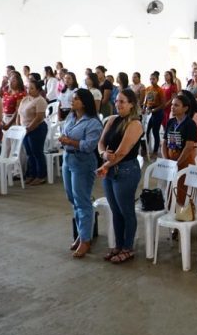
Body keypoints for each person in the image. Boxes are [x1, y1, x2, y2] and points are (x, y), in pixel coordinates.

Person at [96, 89, 143, 264]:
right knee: (115, 210)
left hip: (126, 170)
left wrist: (106, 163)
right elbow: (101, 143)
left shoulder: (135, 124)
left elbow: (122, 153)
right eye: (117, 101)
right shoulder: (113, 120)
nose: (118, 104)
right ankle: (118, 245)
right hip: (110, 168)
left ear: (131, 104)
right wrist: (104, 156)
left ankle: (128, 248)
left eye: (122, 101)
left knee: (126, 211)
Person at [59, 89, 103, 258]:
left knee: (82, 200)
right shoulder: (71, 117)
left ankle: (86, 239)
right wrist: (65, 139)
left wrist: (69, 141)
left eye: (76, 99)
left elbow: (89, 146)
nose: (72, 100)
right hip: (68, 159)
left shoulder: (93, 122)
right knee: (72, 198)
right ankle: (80, 233)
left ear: (84, 102)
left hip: (82, 162)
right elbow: (66, 132)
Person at [163, 93, 197, 207]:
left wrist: (177, 163)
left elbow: (188, 147)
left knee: (182, 193)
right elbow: (164, 142)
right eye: (172, 104)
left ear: (185, 108)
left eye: (176, 105)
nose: (172, 107)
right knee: (170, 191)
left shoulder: (190, 124)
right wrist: (166, 160)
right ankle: (170, 215)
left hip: (184, 162)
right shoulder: (171, 122)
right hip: (171, 160)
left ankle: (182, 219)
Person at [16, 79, 48, 186]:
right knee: (29, 153)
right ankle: (32, 174)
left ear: (38, 90)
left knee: (37, 152)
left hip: (37, 129)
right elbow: (19, 113)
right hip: (25, 129)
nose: (29, 90)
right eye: (28, 88)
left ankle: (41, 176)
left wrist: (29, 128)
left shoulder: (40, 100)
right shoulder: (25, 99)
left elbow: (39, 117)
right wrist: (19, 127)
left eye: (32, 88)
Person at [144, 72, 165, 159]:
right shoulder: (148, 88)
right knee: (147, 131)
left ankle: (155, 151)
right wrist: (144, 107)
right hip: (149, 112)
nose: (152, 81)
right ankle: (147, 149)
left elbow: (163, 104)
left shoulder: (160, 90)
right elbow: (146, 100)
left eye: (154, 79)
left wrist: (154, 110)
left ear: (157, 80)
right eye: (150, 79)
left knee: (155, 132)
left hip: (157, 112)